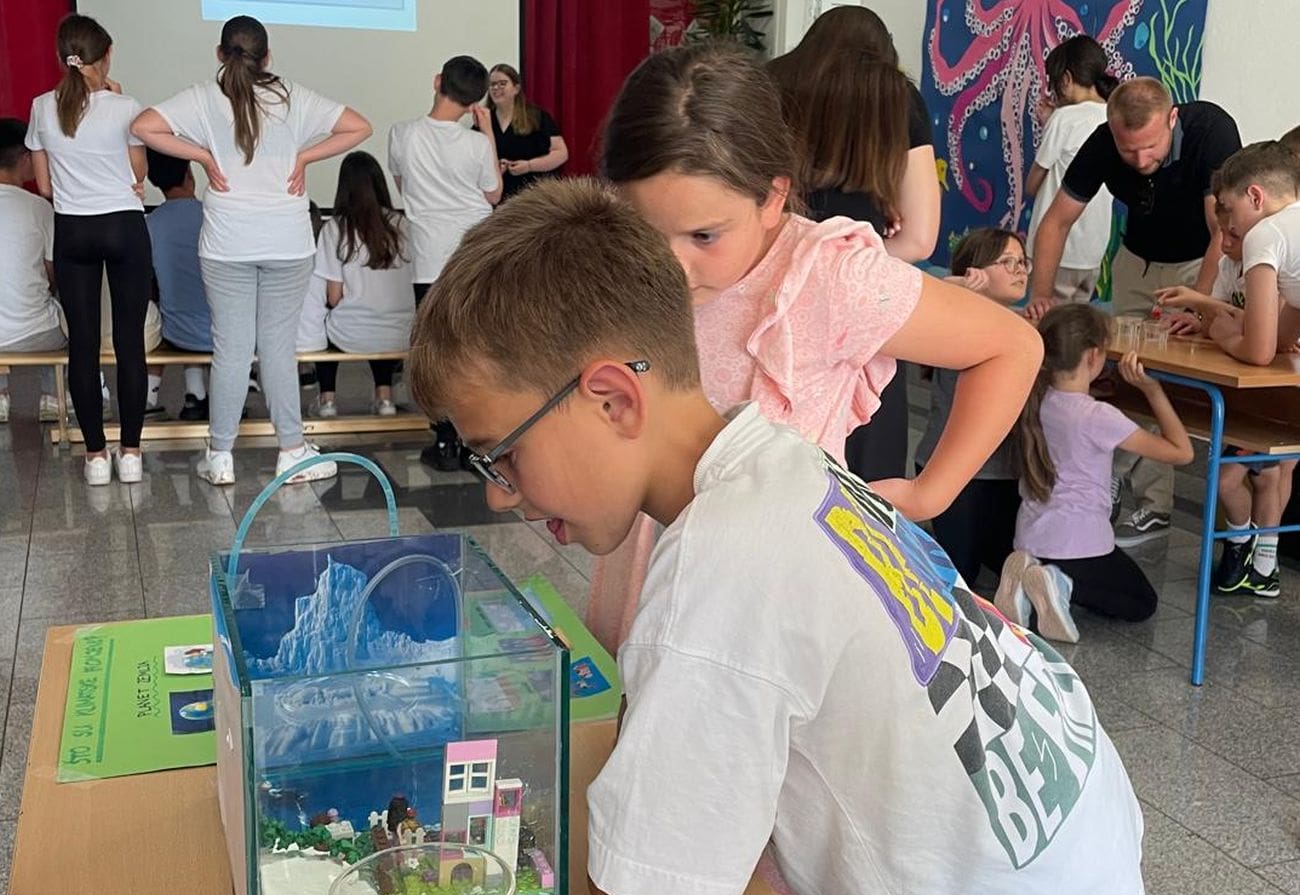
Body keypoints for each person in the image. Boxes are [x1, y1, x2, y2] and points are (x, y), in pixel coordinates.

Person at [406, 176, 1150, 895]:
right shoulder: (783, 455)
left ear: (614, 399)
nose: (498, 494)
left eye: (500, 453)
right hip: (1082, 864)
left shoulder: (719, 562)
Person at [586, 43, 1040, 649]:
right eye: (646, 232)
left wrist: (929, 490)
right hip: (645, 568)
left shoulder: (827, 276)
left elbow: (1011, 346)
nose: (672, 266)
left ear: (773, 196)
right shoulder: (623, 265)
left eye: (704, 235)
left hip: (763, 602)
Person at [132, 15, 371, 486]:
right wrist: (304, 156)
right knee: (278, 349)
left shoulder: (204, 96)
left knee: (231, 350)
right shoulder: (292, 96)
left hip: (227, 244)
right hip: (287, 242)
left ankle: (220, 456)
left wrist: (203, 156)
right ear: (268, 56)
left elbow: (144, 126)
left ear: (220, 54)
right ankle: (292, 451)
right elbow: (359, 127)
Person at [1026, 78, 1240, 546]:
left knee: (1172, 376)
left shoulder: (1211, 131)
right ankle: (1138, 495)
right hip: (1137, 261)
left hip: (1197, 263)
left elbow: (1220, 234)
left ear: (1172, 119)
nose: (1141, 161)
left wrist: (1199, 306)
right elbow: (1055, 222)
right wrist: (1040, 296)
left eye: (1150, 147)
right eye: (1128, 151)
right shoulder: (1103, 142)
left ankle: (1143, 493)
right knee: (1128, 371)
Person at [768, 5, 941, 485]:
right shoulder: (896, 96)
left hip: (770, 284)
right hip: (860, 301)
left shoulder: (768, 83)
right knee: (868, 464)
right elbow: (920, 238)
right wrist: (859, 252)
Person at [996, 304, 1193, 643]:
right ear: (1092, 356)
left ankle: (1030, 579)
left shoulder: (1035, 399)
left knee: (1108, 578)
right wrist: (1152, 390)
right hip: (1080, 545)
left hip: (1029, 537)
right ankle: (1060, 583)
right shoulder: (1098, 416)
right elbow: (1183, 452)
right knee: (1142, 603)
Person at [26, 13, 150, 486]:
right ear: (107, 55)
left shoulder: (42, 107)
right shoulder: (125, 107)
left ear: (63, 58)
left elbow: (44, 186)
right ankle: (131, 454)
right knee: (129, 341)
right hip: (124, 227)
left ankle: (96, 457)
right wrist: (116, 99)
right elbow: (138, 174)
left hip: (73, 230)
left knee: (83, 344)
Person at [388, 54, 501, 470]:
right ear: (475, 102)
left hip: (429, 258)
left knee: (434, 349)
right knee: (475, 347)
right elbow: (493, 194)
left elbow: (402, 185)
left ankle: (444, 440)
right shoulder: (476, 143)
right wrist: (487, 132)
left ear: (438, 81)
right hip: (474, 255)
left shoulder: (402, 134)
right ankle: (478, 440)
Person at [917, 228, 1032, 586]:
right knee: (960, 574)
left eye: (1022, 261)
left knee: (1003, 566)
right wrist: (959, 287)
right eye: (1006, 261)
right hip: (957, 472)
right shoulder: (956, 319)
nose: (1020, 269)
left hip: (1004, 474)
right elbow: (920, 294)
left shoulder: (1022, 324)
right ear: (975, 270)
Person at [311, 151, 414, 417]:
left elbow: (333, 297)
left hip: (352, 334)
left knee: (320, 321)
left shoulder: (335, 228)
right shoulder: (402, 224)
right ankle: (385, 398)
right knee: (379, 320)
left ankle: (327, 400)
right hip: (401, 332)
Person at [1025, 35, 1116, 304]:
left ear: (1065, 79)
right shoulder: (1114, 116)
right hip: (1092, 253)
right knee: (1076, 323)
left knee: (1045, 322)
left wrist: (1053, 122)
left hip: (1055, 251)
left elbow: (1032, 185)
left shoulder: (1064, 118)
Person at [1206, 141, 1300, 365]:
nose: (1230, 224)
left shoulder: (1264, 233)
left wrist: (1224, 335)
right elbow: (1281, 340)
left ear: (1255, 197)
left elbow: (1259, 353)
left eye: (1230, 209)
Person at [0, 117, 67, 424]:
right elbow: (53, 277)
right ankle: (54, 397)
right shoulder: (40, 207)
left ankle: (1, 396)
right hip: (36, 335)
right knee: (68, 304)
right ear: (26, 158)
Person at [144, 148, 213, 421]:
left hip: (176, 332)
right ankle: (196, 395)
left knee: (166, 310)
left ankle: (149, 398)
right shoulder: (213, 215)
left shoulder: (151, 223)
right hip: (224, 332)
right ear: (190, 175)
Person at [486, 64, 567, 199]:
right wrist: (494, 167)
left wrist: (529, 166)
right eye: (492, 84)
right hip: (498, 198)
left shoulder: (537, 116)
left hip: (534, 196)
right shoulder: (484, 121)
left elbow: (561, 153)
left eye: (502, 83)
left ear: (516, 88)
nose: (496, 88)